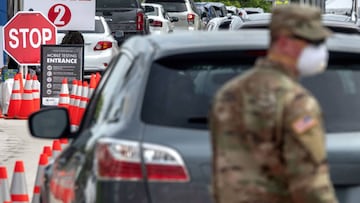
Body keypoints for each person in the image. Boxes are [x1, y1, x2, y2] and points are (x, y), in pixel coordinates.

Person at [209, 4, 338, 203]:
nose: (320, 50)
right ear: (285, 42)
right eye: (314, 42)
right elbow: (311, 186)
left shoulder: (228, 94)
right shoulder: (296, 102)